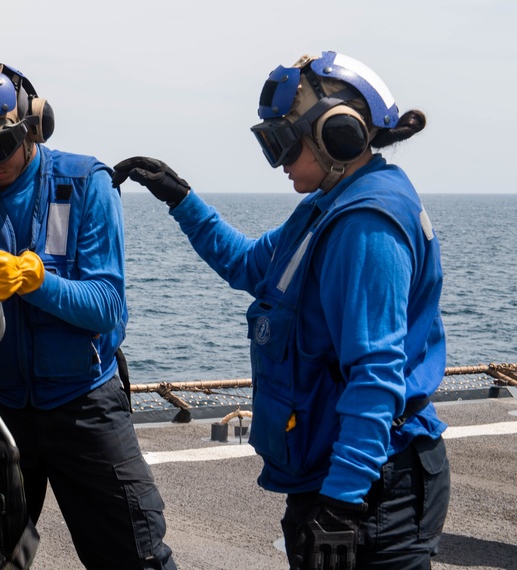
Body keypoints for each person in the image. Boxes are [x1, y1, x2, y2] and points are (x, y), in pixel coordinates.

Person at [113, 51, 449, 569]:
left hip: (373, 486)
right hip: (342, 474)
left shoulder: (366, 224)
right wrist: (180, 198)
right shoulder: (326, 207)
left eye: (283, 144)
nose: (280, 162)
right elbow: (250, 265)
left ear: (339, 135)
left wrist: (341, 502)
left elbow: (376, 374)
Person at [0, 62, 177, 569]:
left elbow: (107, 307)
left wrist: (34, 282)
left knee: (135, 554)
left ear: (32, 126)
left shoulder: (86, 184)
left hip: (83, 406)